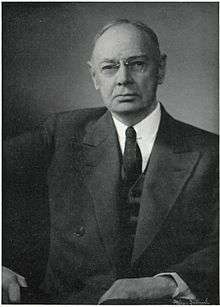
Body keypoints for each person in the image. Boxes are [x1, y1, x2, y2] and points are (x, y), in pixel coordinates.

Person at [2, 19, 218, 304]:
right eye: (109, 67)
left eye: (137, 64)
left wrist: (168, 284)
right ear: (94, 77)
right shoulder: (61, 132)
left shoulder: (210, 152)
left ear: (161, 68)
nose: (123, 78)